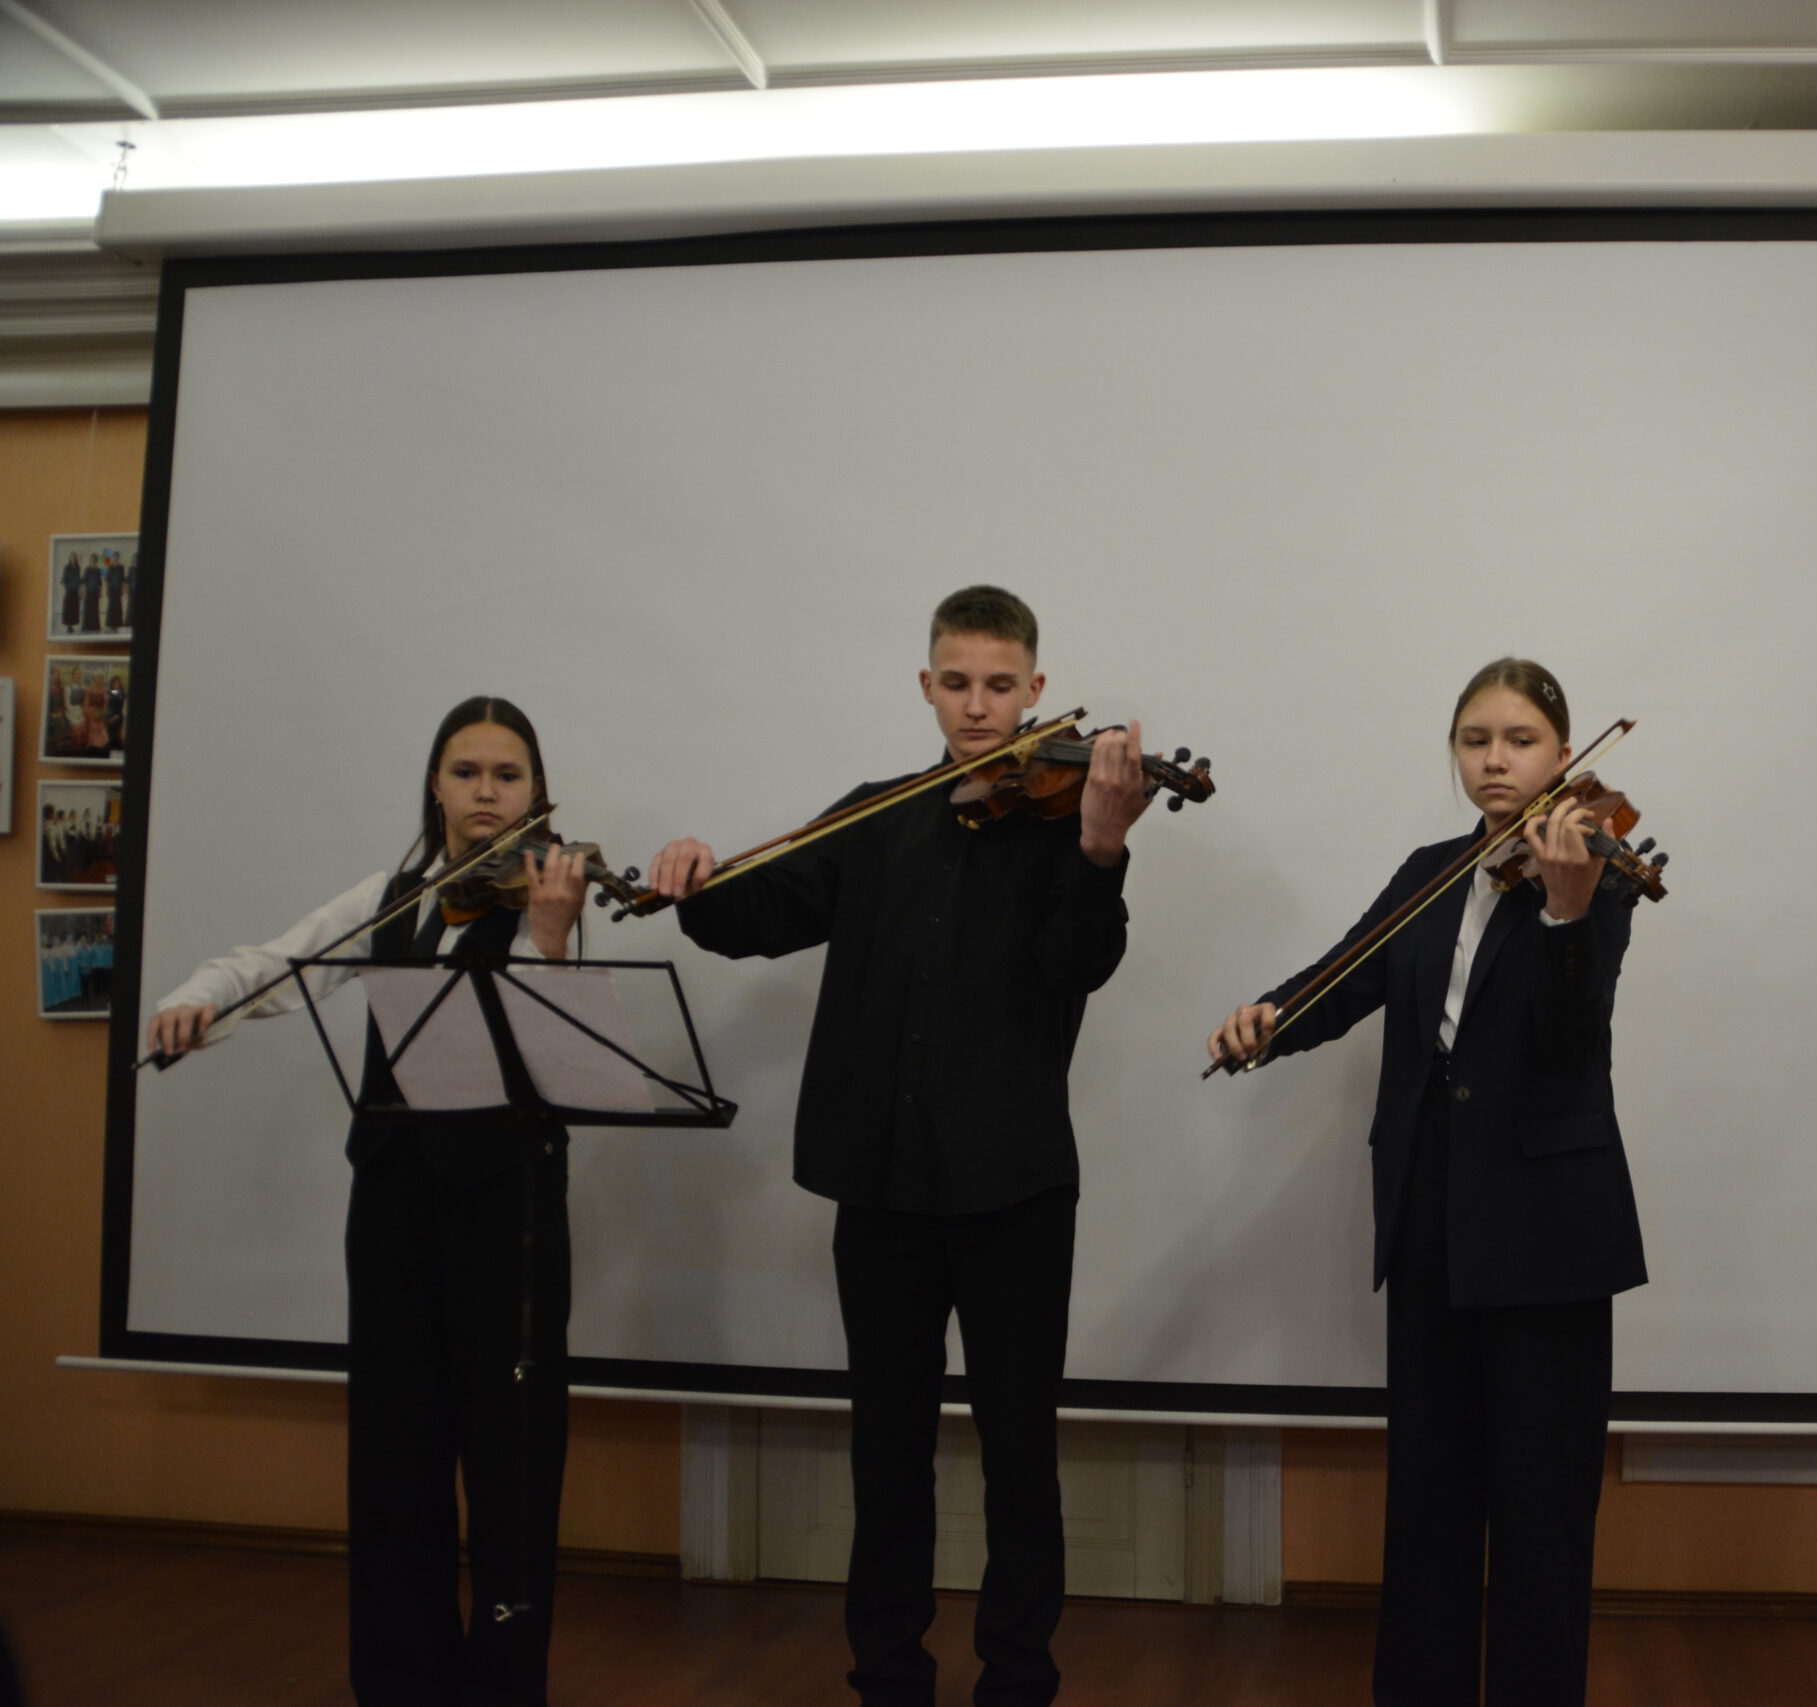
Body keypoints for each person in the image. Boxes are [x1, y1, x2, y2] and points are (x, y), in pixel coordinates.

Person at [646, 586, 1151, 1707]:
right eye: (956, 683)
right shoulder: (878, 816)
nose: (977, 706)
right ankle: (888, 1676)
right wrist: (696, 877)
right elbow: (758, 916)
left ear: (1035, 688)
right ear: (927, 686)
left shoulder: (1067, 823)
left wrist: (1102, 845)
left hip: (1015, 1190)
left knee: (1019, 1457)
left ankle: (1018, 1679)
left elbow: (1083, 963)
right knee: (887, 1457)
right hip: (879, 1188)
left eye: (999, 685)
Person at [1208, 656, 1645, 1707]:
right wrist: (1269, 1021)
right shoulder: (1429, 871)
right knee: (1430, 1500)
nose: (1495, 760)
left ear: (1561, 751)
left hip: (1546, 1230)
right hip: (1431, 1212)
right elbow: (1347, 972)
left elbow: (1568, 1040)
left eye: (1520, 740)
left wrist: (1566, 915)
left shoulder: (1598, 869)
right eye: (1474, 740)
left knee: (1542, 1511)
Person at [147, 696, 591, 1706]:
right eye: (467, 772)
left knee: (510, 1459)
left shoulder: (549, 893)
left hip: (507, 1207)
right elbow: (283, 960)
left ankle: (502, 1688)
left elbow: (557, 1058)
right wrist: (200, 998)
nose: (486, 793)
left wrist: (550, 936)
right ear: (436, 784)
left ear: (537, 792)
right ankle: (400, 1683)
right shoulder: (395, 895)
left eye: (508, 775)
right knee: (395, 1453)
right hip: (391, 1204)